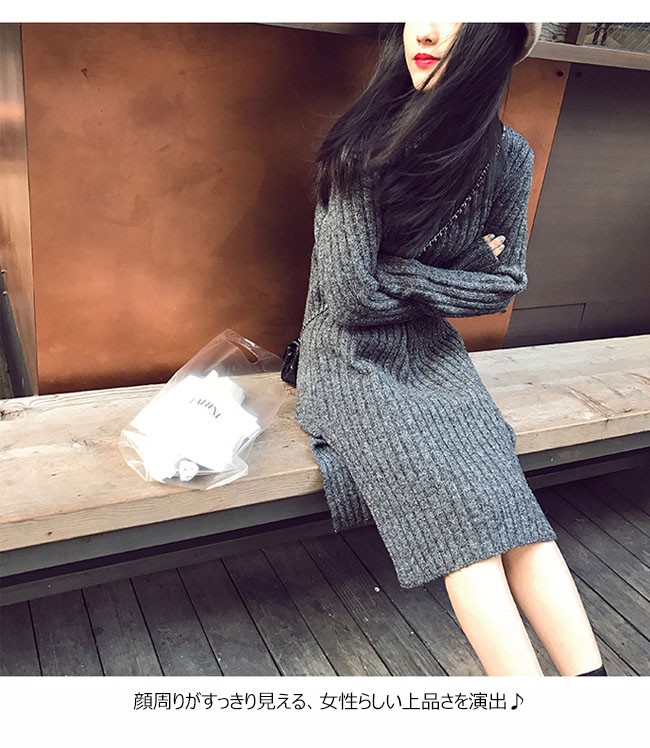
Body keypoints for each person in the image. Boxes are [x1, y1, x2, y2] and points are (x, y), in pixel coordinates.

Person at [293, 22, 606, 677]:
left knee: (513, 512)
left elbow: (505, 283)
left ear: (497, 38)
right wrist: (457, 272)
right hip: (349, 363)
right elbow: (348, 300)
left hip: (434, 356)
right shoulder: (359, 147)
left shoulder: (508, 156)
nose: (429, 27)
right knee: (467, 530)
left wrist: (399, 273)